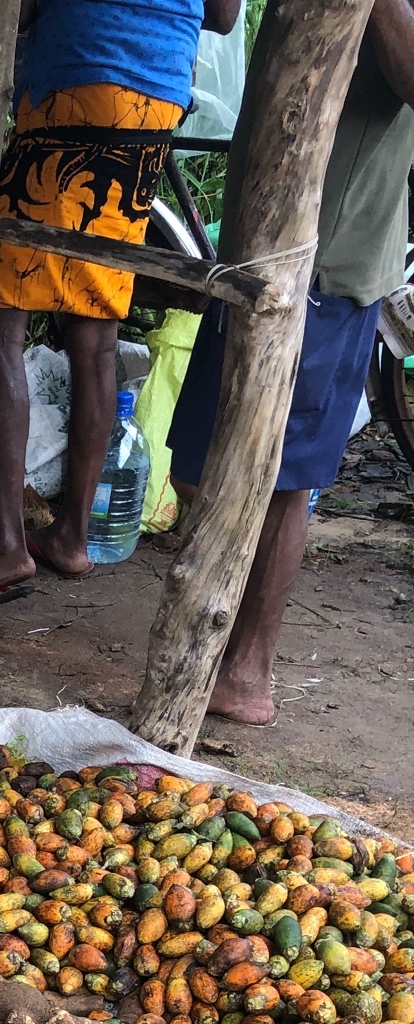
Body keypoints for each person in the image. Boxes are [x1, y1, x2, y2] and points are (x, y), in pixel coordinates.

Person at [166, 0, 414, 724]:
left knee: (282, 476)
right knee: (202, 458)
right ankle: (216, 640)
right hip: (268, 254)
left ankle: (247, 671)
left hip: (324, 265)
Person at [0, 0, 241, 611]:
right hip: (153, 100)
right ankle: (72, 536)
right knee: (96, 330)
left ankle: (6, 541)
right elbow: (222, 15)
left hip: (79, 75)